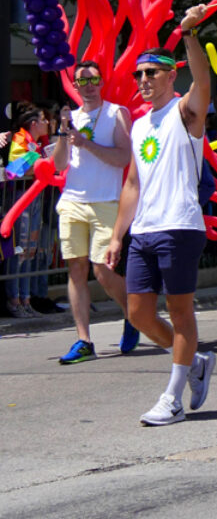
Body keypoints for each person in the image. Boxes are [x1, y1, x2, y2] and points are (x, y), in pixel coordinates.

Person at [106, 7, 217, 426]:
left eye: (152, 72)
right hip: (145, 230)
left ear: (172, 76)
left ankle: (172, 397)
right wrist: (119, 235)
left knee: (181, 309)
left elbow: (204, 81)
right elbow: (133, 183)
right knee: (138, 313)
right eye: (140, 74)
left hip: (180, 226)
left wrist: (189, 33)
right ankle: (195, 362)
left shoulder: (185, 112)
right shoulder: (138, 125)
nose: (144, 80)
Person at [53, 62, 138, 362]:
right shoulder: (71, 118)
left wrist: (87, 143)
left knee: (102, 270)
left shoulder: (116, 113)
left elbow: (123, 157)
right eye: (82, 81)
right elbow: (60, 165)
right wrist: (64, 134)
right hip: (72, 201)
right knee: (76, 269)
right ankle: (84, 340)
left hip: (106, 202)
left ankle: (133, 315)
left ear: (102, 82)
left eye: (93, 80)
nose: (88, 85)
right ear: (74, 86)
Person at [4, 104, 51, 318]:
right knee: (19, 251)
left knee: (31, 252)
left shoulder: (39, 143)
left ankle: (26, 299)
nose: (47, 123)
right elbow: (13, 171)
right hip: (21, 199)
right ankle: (14, 300)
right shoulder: (20, 139)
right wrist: (35, 158)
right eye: (43, 119)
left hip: (35, 198)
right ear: (34, 124)